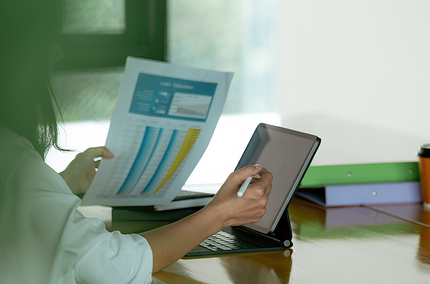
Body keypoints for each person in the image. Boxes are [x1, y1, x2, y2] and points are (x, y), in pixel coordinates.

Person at [0, 1, 272, 283]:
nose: (58, 53)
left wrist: (64, 182)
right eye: (50, 41)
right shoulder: (16, 159)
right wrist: (220, 214)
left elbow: (20, 215)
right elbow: (113, 266)